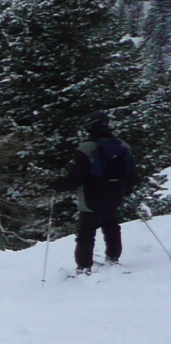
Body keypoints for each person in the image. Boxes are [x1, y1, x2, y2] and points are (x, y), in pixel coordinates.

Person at [53, 112, 139, 273]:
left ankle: (84, 267)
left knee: (86, 232)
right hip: (115, 195)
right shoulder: (122, 145)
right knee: (112, 226)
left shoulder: (85, 148)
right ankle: (113, 258)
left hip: (90, 196)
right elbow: (132, 175)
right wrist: (125, 191)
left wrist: (57, 186)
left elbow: (77, 177)